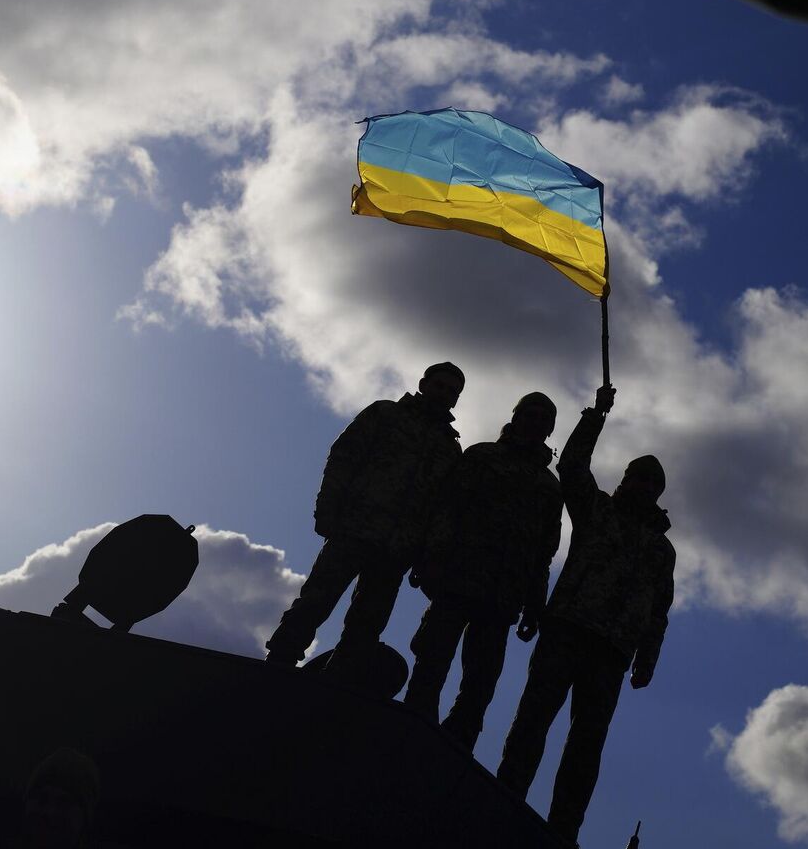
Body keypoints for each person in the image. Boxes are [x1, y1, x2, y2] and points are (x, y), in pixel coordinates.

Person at [496, 385, 673, 846]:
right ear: (625, 480)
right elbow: (572, 466)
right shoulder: (597, 510)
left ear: (658, 494)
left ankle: (563, 831)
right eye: (638, 478)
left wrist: (646, 659)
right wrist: (595, 415)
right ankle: (502, 800)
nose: (644, 486)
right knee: (532, 721)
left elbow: (659, 612)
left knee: (586, 747)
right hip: (567, 631)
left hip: (612, 652)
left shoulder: (662, 550)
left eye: (652, 483)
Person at [265, 361, 464, 671]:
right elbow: (343, 458)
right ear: (423, 385)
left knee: (368, 623)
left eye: (451, 391)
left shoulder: (450, 450)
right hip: (354, 529)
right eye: (439, 385)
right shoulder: (385, 414)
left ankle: (340, 680)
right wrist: (327, 508)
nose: (443, 393)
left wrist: (425, 557)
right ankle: (279, 662)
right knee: (316, 600)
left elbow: (442, 509)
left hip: (397, 550)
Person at [403, 390, 563, 748]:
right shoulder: (481, 456)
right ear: (516, 416)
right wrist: (429, 558)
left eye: (544, 419)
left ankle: (457, 745)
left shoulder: (549, 487)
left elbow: (544, 552)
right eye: (530, 414)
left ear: (550, 429)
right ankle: (412, 726)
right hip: (456, 579)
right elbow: (447, 509)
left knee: (481, 680)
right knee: (431, 661)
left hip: (503, 596)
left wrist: (534, 605)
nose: (535, 422)